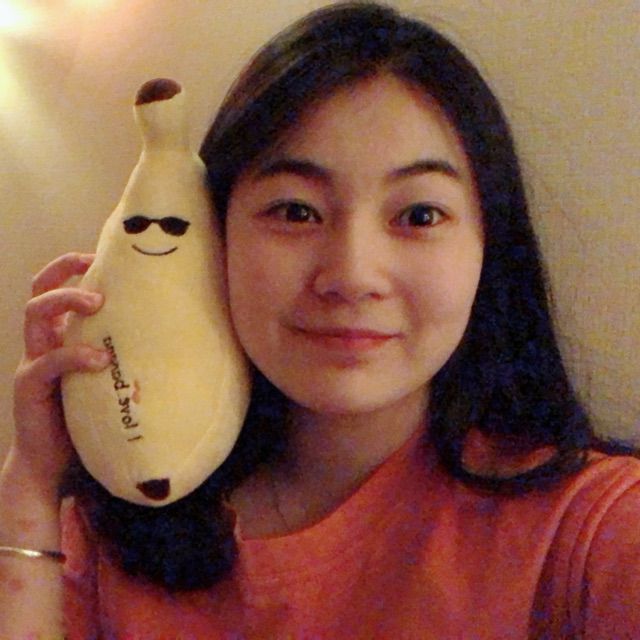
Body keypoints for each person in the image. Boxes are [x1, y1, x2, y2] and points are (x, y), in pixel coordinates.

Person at [2, 2, 639, 638]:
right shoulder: (112, 528)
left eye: (419, 215)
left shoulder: (591, 530)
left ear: (488, 246)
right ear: (213, 234)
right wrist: (33, 478)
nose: (352, 275)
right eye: (296, 211)